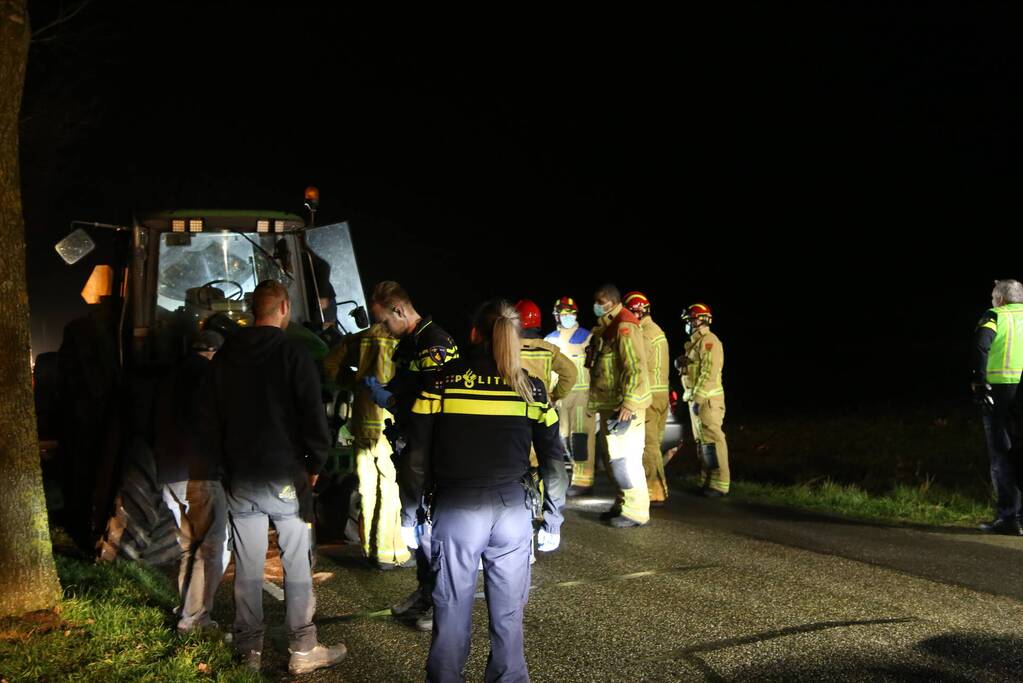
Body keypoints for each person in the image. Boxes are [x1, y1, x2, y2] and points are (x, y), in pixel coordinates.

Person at [405, 300, 568, 682]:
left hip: (457, 511)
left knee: (451, 608)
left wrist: (410, 512)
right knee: (509, 614)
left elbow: (415, 456)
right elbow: (553, 461)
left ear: (474, 333)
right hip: (512, 513)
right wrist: (554, 518)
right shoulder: (532, 390)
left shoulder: (441, 383)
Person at [201, 280, 346, 675]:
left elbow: (211, 419)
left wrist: (222, 468)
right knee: (296, 562)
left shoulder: (226, 357)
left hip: (240, 478)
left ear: (252, 309)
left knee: (247, 566)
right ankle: (303, 648)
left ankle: (249, 652)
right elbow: (313, 417)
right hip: (285, 476)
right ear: (283, 307)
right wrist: (315, 465)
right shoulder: (293, 355)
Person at [362, 281, 459, 631]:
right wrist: (387, 392)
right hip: (412, 444)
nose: (383, 329)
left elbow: (434, 404)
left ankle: (439, 604)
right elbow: (408, 386)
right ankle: (425, 592)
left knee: (431, 528)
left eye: (385, 321)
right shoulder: (410, 343)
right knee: (420, 528)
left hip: (430, 448)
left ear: (400, 311)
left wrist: (389, 400)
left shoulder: (435, 344)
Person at [155, 330, 230, 634]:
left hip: (169, 474)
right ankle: (195, 619)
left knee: (189, 547)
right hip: (198, 474)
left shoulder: (169, 377)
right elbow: (215, 425)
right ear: (213, 352)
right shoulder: (208, 378)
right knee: (211, 547)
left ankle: (187, 607)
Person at [587, 284, 652, 527]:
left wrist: (629, 403)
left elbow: (635, 367)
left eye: (600, 301)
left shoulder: (624, 326)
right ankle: (623, 503)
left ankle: (636, 511)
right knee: (613, 458)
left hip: (624, 406)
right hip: (610, 404)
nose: (596, 305)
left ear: (612, 302)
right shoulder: (606, 328)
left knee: (625, 459)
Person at [974, 280, 1023, 534]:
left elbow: (982, 344)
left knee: (1000, 454)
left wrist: (978, 382)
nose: (992, 299)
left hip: (1000, 392)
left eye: (993, 295)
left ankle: (1008, 517)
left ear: (1002, 299)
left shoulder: (994, 315)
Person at [545, 296, 596, 495]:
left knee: (581, 438)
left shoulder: (586, 337)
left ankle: (583, 480)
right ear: (557, 316)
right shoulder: (549, 340)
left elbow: (596, 365)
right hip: (559, 397)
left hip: (583, 396)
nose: (566, 316)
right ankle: (572, 474)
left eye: (570, 313)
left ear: (575, 314)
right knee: (563, 438)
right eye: (562, 313)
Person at [623, 291, 671, 506]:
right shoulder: (656, 330)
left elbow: (638, 362)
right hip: (661, 396)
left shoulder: (644, 333)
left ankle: (655, 492)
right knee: (654, 446)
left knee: (648, 446)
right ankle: (658, 489)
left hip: (650, 397)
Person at [680, 303, 729, 497]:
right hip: (697, 399)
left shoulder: (710, 341)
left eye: (690, 320)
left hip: (708, 400)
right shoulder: (695, 343)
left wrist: (698, 399)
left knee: (713, 440)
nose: (689, 324)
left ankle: (720, 483)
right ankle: (706, 480)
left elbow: (709, 373)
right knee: (702, 441)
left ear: (700, 320)